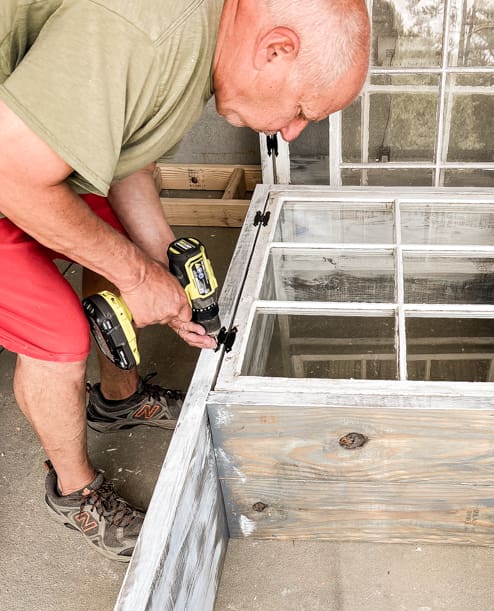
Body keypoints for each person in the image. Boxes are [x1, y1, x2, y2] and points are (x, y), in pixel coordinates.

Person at [0, 0, 370, 560]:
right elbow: (12, 174)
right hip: (6, 166)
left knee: (111, 233)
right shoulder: (147, 33)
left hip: (18, 151)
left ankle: (118, 400)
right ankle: (74, 491)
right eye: (302, 110)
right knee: (57, 334)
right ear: (276, 49)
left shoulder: (199, 43)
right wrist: (133, 272)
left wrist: (156, 263)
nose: (293, 133)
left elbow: (126, 161)